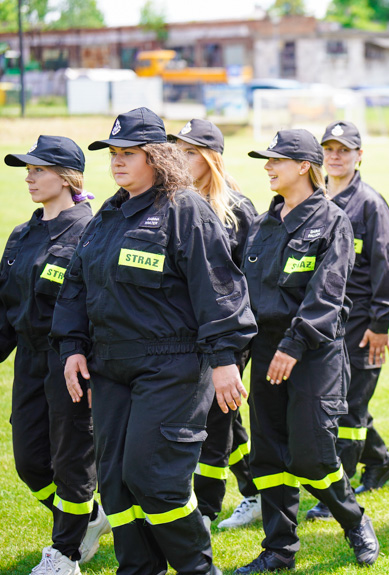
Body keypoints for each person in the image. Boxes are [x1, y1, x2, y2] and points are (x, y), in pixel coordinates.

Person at [51, 107, 257, 575]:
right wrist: (72, 346)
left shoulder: (186, 209)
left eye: (130, 153)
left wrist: (225, 359)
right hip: (109, 366)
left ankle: (198, 568)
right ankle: (139, 569)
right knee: (116, 484)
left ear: (157, 158)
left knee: (155, 480)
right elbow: (77, 284)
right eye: (114, 153)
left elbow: (217, 287)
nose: (118, 162)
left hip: (173, 365)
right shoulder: (110, 212)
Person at [239, 129, 379, 572]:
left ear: (303, 166)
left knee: (312, 455)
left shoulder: (332, 219)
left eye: (276, 160)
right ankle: (279, 549)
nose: (267, 166)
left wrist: (294, 344)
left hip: (312, 353)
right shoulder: (263, 225)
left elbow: (328, 294)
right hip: (265, 352)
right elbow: (243, 294)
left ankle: (354, 521)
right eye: (266, 160)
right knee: (268, 455)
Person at [1, 136, 109, 575]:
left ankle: (65, 554)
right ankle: (89, 517)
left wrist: (80, 352)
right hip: (29, 360)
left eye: (38, 170)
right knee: (30, 461)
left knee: (72, 457)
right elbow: (5, 305)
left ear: (66, 178)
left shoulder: (90, 231)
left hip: (70, 359)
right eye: (27, 170)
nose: (29, 177)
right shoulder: (22, 234)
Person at [304, 121, 389, 521]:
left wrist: (380, 325)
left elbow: (388, 267)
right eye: (329, 149)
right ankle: (379, 460)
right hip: (326, 323)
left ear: (359, 155)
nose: (335, 155)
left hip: (362, 324)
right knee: (338, 405)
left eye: (344, 149)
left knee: (349, 410)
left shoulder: (370, 204)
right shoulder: (314, 199)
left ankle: (339, 494)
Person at [168, 119, 263, 530]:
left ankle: (205, 509)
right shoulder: (171, 203)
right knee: (221, 415)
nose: (181, 160)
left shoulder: (238, 209)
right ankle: (256, 490)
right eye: (178, 151)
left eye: (190, 152)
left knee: (214, 420)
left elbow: (249, 280)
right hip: (178, 335)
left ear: (210, 158)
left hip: (222, 335)